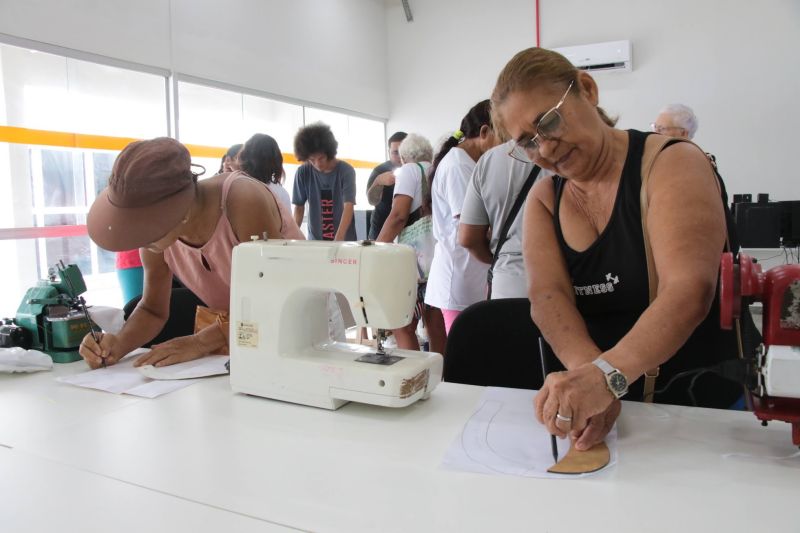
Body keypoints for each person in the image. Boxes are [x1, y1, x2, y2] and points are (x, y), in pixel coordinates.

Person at [490, 47, 747, 451]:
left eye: (549, 122)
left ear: (587, 89)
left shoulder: (673, 163)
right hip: (612, 416)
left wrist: (607, 376)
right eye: (528, 142)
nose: (546, 148)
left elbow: (689, 290)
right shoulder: (545, 200)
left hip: (705, 412)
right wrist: (592, 377)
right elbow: (548, 297)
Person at [79, 137, 303, 369]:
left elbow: (275, 299)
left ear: (180, 209)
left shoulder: (243, 200)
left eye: (147, 225)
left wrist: (200, 342)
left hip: (299, 325)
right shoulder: (156, 240)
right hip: (244, 332)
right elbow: (153, 310)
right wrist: (117, 345)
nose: (142, 239)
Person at [424, 101, 498, 334]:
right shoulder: (458, 166)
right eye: (504, 137)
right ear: (484, 132)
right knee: (466, 350)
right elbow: (472, 226)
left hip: (469, 275)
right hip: (459, 277)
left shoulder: (469, 163)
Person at [376, 133, 446, 355]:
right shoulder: (439, 169)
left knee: (403, 325)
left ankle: (417, 372)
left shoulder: (409, 171)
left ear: (404, 158)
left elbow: (398, 216)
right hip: (439, 259)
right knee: (436, 325)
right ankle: (440, 372)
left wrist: (376, 248)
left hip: (415, 262)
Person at [459, 140, 540, 299]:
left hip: (507, 283)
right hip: (566, 281)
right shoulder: (570, 151)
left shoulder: (489, 159)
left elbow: (467, 238)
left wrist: (499, 257)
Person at [292, 123, 357, 241]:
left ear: (329, 153)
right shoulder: (303, 172)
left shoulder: (346, 171)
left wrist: (338, 239)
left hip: (344, 241)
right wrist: (292, 238)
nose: (317, 164)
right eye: (312, 160)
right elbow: (299, 208)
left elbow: (348, 206)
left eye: (321, 158)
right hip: (316, 242)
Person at [237, 133, 294, 212]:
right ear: (276, 161)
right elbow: (287, 220)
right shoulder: (280, 194)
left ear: (244, 157)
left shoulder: (235, 188)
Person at [367, 131, 407, 240]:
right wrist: (378, 182)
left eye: (404, 151)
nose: (400, 156)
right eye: (395, 152)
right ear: (388, 152)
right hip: (380, 229)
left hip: (408, 230)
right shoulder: (379, 170)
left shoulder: (416, 170)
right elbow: (371, 201)